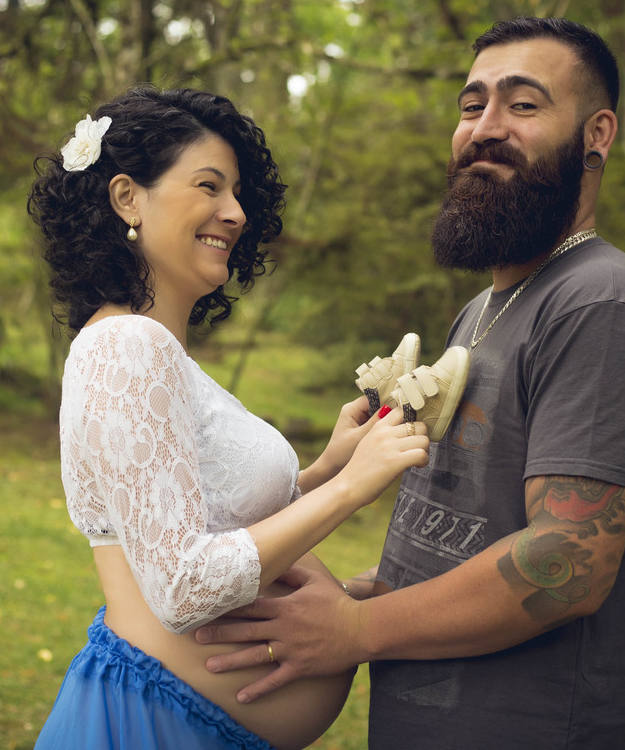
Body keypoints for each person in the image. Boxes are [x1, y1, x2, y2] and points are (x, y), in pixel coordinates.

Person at [197, 16, 625, 749]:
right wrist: (355, 594)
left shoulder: (602, 305)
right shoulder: (481, 312)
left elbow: (568, 560)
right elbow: (474, 532)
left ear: (598, 134)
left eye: (523, 105)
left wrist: (357, 629)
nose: (485, 128)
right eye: (470, 105)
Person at [27, 86, 461, 750]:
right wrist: (352, 488)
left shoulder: (156, 352)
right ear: (126, 198)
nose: (233, 212)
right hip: (153, 727)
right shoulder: (125, 347)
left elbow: (210, 519)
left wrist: (326, 469)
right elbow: (180, 586)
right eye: (209, 186)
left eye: (236, 195)